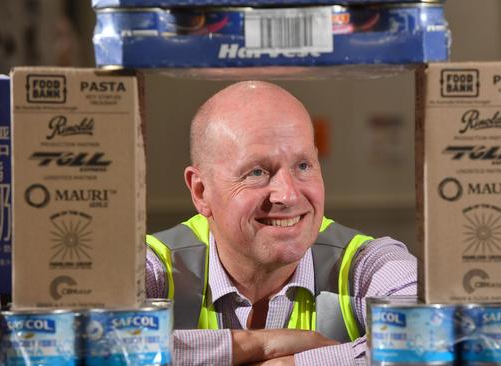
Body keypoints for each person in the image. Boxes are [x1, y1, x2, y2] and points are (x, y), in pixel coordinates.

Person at [145, 81, 417, 365]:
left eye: (303, 166)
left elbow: (437, 336)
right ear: (201, 191)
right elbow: (99, 345)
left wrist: (293, 364)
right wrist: (258, 345)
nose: (288, 194)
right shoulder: (154, 267)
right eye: (257, 172)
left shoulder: (369, 264)